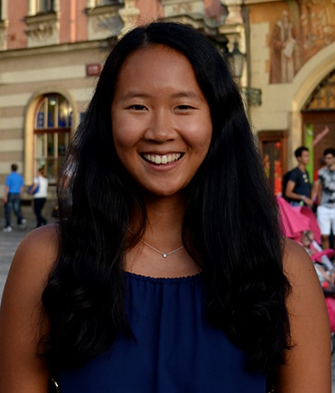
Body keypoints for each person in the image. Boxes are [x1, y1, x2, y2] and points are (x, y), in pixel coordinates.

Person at [0, 22, 330, 393]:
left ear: (217, 121)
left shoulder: (285, 268)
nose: (160, 131)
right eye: (137, 106)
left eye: (183, 107)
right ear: (107, 120)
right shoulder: (45, 258)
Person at [315, 148, 335, 251]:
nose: (327, 160)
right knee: (324, 236)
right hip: (324, 207)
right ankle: (327, 261)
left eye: (329, 158)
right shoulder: (321, 172)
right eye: (325, 158)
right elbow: (319, 188)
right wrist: (318, 203)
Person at [2, 163, 27, 232]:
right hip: (17, 194)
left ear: (11, 169)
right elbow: (21, 187)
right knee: (16, 209)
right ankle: (22, 219)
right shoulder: (20, 177)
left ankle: (8, 226)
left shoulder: (9, 177)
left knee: (8, 211)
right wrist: (20, 195)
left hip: (11, 194)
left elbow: (7, 187)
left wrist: (5, 196)